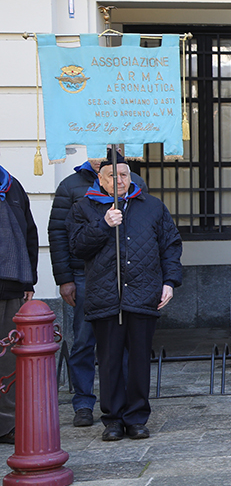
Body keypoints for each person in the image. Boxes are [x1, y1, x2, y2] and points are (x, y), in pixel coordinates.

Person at [68, 154, 181, 441]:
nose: (119, 181)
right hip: (106, 296)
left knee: (140, 360)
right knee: (109, 361)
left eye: (123, 174)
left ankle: (137, 417)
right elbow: (77, 247)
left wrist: (169, 282)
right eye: (112, 176)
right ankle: (113, 419)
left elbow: (170, 245)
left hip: (143, 294)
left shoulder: (151, 206)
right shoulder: (84, 207)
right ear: (100, 179)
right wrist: (103, 224)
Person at [48, 156, 146, 428]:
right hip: (85, 275)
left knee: (122, 344)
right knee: (83, 341)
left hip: (127, 277)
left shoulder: (134, 182)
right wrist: (64, 277)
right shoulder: (70, 186)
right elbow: (58, 233)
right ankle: (83, 402)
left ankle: (124, 404)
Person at [0, 164, 39, 445]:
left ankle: (7, 425)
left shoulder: (12, 186)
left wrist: (29, 281)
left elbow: (30, 235)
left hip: (13, 286)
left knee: (9, 359)